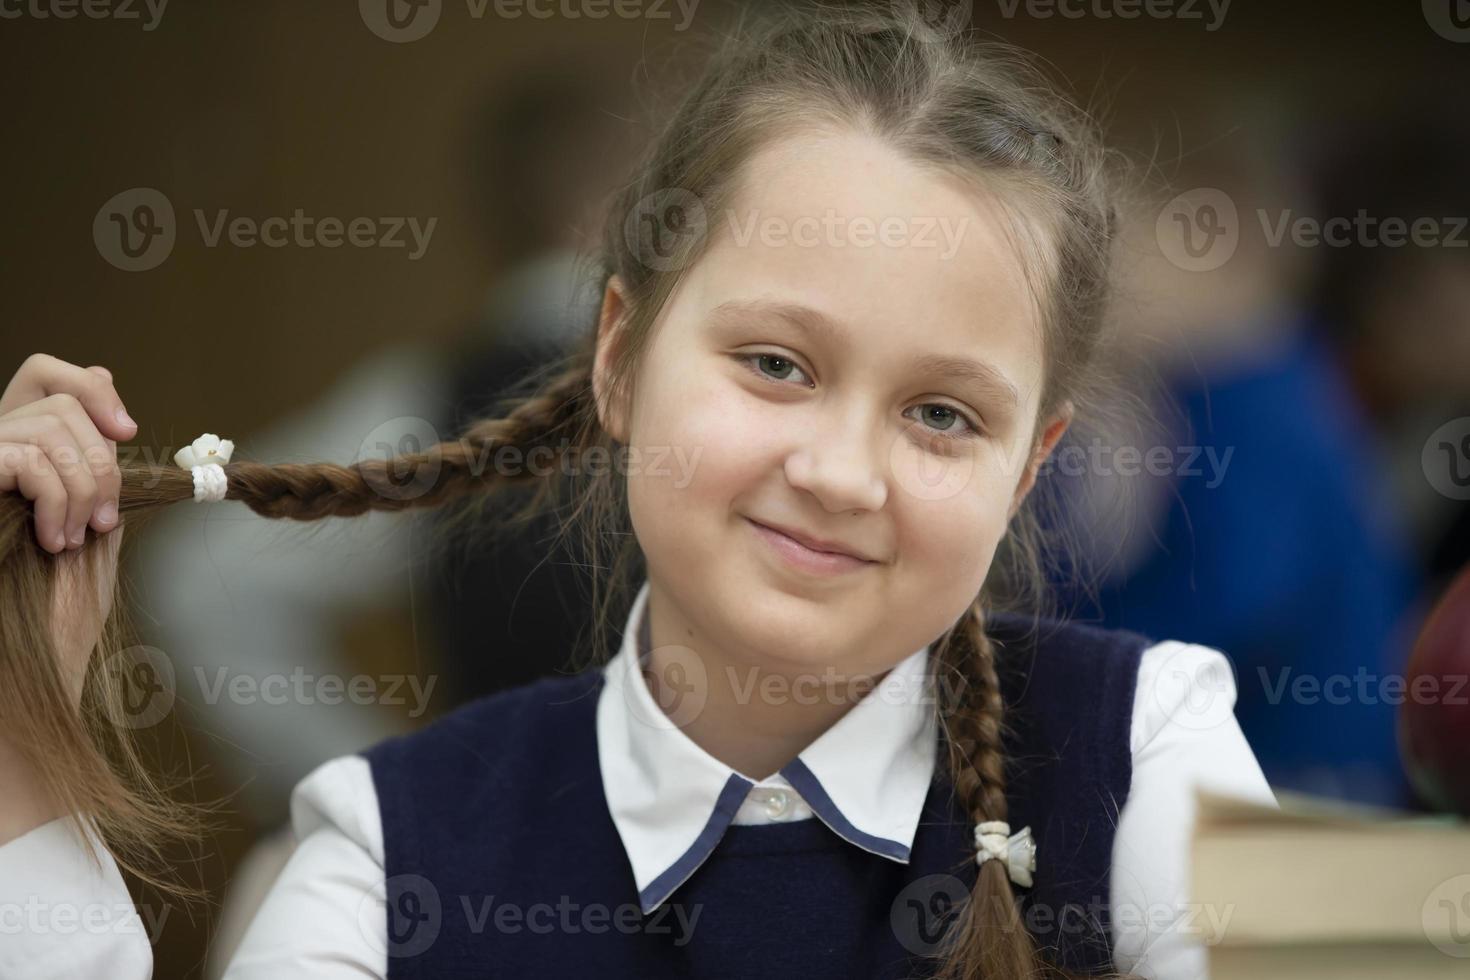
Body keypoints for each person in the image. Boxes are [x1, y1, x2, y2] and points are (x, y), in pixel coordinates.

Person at [0, 4, 1277, 978]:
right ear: (618, 357)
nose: (838, 472)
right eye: (775, 363)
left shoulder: (1148, 746)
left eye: (943, 414)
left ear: (1027, 471)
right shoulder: (392, 853)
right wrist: (20, 752)